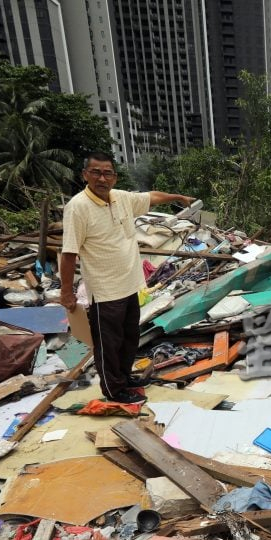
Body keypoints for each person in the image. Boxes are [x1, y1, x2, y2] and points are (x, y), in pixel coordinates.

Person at [59, 152, 193, 404]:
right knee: (108, 345)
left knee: (129, 339)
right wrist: (66, 292)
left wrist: (177, 197)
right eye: (96, 172)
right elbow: (68, 254)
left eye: (107, 173)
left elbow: (151, 197)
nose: (102, 178)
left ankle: (125, 377)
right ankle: (113, 390)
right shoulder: (77, 208)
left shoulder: (121, 198)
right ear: (85, 175)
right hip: (105, 291)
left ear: (114, 177)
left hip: (131, 286)